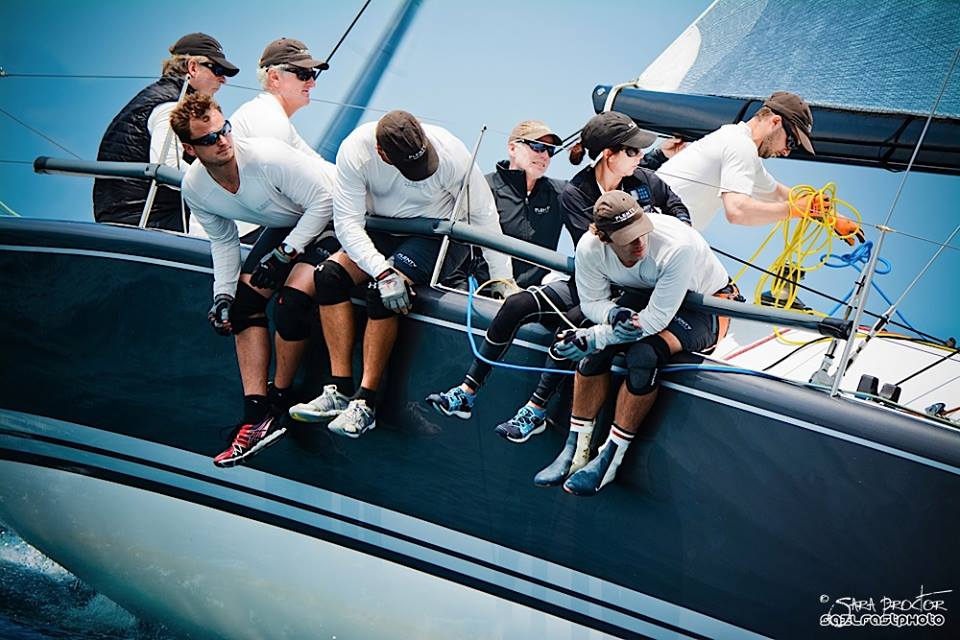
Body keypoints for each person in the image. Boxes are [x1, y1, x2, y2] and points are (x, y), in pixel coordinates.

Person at [426, 111, 690, 444]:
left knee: (572, 330)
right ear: (609, 154)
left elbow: (675, 205)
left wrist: (679, 232)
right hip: (590, 286)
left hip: (631, 291)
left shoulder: (642, 180)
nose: (545, 155)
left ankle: (535, 410)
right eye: (632, 151)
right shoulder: (574, 193)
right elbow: (595, 254)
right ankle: (466, 391)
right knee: (517, 305)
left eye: (550, 150)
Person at [287, 110, 513, 438]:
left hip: (435, 236)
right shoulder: (356, 151)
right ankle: (339, 391)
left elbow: (485, 218)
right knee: (329, 276)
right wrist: (381, 270)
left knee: (382, 293)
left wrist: (502, 282)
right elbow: (347, 223)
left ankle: (365, 404)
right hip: (382, 227)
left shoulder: (452, 153)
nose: (420, 173)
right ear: (382, 153)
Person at [170, 93, 338, 467]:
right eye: (210, 139)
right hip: (289, 224)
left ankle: (280, 400)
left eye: (224, 130)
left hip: (335, 215)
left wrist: (286, 254)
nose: (223, 141)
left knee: (291, 300)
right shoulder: (196, 188)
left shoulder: (266, 157)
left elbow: (326, 201)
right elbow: (224, 240)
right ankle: (256, 413)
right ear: (190, 148)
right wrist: (222, 296)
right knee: (242, 310)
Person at [536, 190, 733, 495]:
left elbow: (654, 321)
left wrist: (596, 337)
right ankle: (575, 451)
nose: (640, 241)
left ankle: (610, 460)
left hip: (704, 307)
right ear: (604, 238)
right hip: (648, 295)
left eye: (641, 231)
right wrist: (610, 314)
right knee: (591, 355)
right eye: (628, 237)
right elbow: (593, 303)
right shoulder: (589, 248)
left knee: (644, 354)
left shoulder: (676, 247)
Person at [657, 91, 864, 238]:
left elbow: (779, 193)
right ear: (775, 122)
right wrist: (795, 211)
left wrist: (832, 216)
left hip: (653, 229)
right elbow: (737, 212)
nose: (786, 152)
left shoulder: (734, 139)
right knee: (722, 288)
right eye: (791, 141)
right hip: (654, 230)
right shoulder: (740, 145)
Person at [94, 33, 238, 232]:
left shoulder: (160, 97)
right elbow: (168, 166)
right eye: (218, 70)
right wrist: (228, 184)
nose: (223, 80)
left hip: (128, 215)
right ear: (193, 68)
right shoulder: (169, 107)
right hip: (146, 220)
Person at [230, 37, 326, 159]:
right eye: (304, 75)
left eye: (312, 74)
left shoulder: (270, 115)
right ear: (274, 77)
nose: (312, 83)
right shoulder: (266, 118)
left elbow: (319, 165)